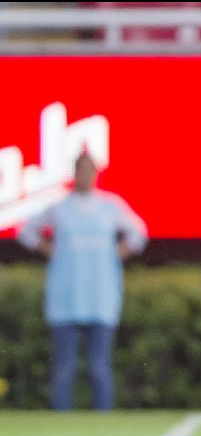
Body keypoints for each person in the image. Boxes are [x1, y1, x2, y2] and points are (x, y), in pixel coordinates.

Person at [17, 151, 147, 411]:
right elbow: (26, 231)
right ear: (74, 172)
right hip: (66, 296)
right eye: (80, 169)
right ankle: (61, 422)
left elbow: (138, 232)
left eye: (89, 169)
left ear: (96, 173)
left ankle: (103, 423)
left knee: (99, 367)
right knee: (64, 367)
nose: (85, 175)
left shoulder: (110, 206)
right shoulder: (60, 207)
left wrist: (117, 252)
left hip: (100, 296)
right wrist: (49, 249)